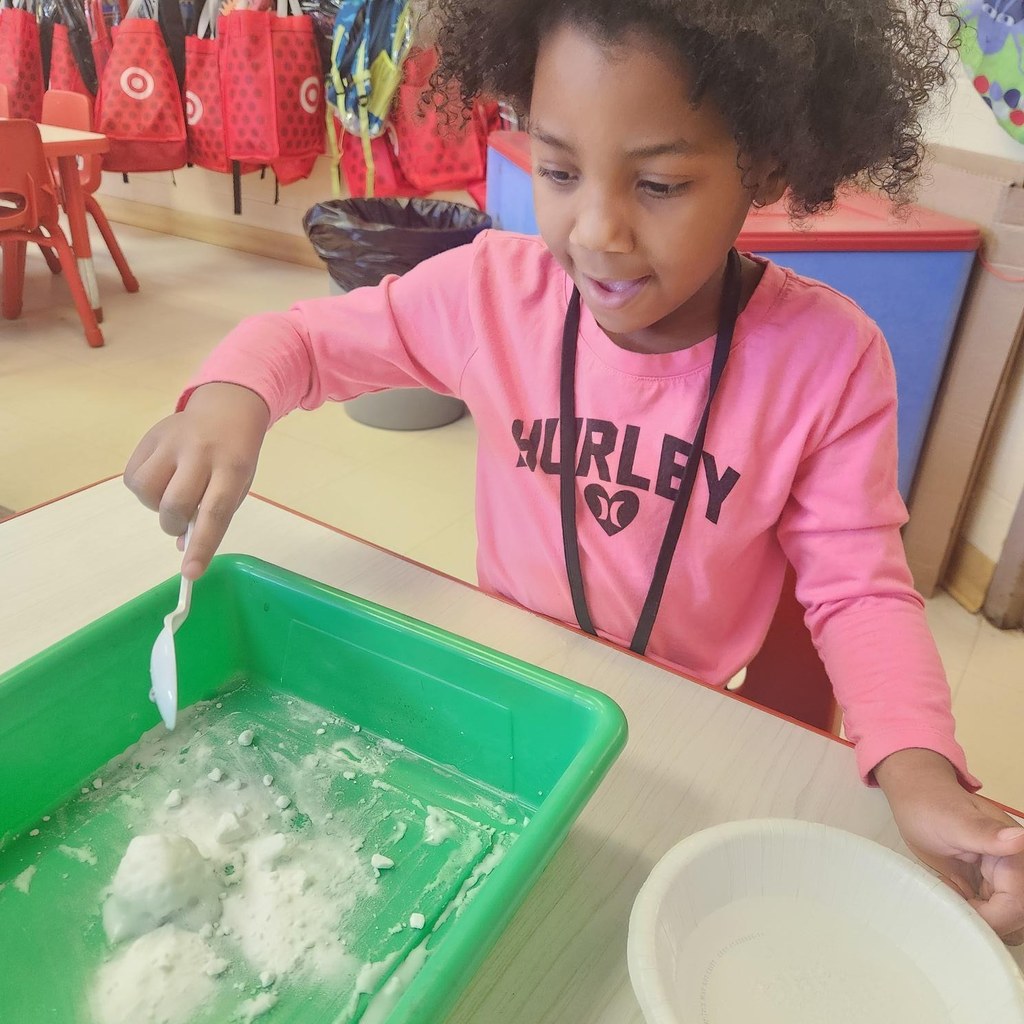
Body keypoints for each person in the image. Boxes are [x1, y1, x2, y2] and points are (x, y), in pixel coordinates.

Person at [124, 0, 1024, 942]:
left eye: (662, 183)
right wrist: (233, 393)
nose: (596, 231)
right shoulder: (491, 293)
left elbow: (859, 594)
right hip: (498, 696)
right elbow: (302, 341)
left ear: (765, 166)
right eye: (558, 170)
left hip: (673, 733)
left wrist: (921, 767)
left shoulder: (830, 359)